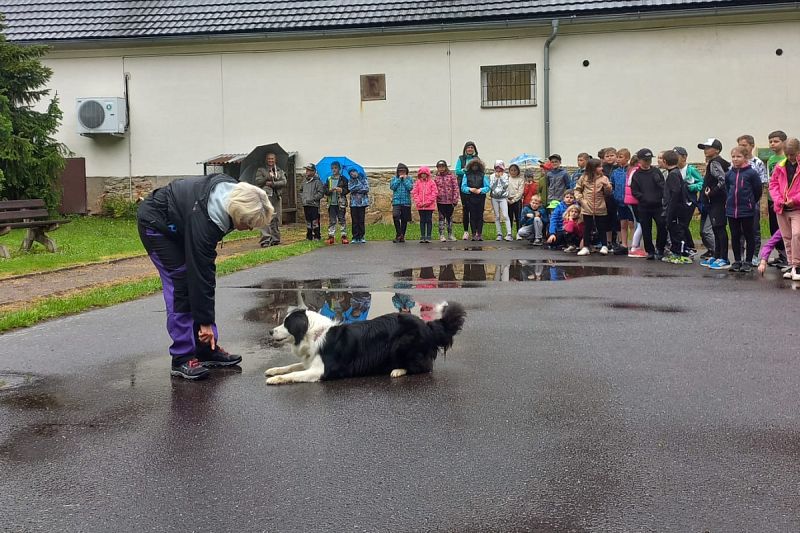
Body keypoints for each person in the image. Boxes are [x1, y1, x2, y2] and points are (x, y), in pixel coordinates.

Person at [137, 175, 273, 380]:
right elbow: (200, 273)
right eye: (249, 223)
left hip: (183, 221)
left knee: (199, 282)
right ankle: (182, 357)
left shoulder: (236, 193)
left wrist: (205, 322)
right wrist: (205, 322)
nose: (251, 228)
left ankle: (205, 349)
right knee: (180, 283)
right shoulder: (208, 219)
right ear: (237, 213)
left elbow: (205, 274)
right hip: (158, 224)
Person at [725, 145, 763, 272]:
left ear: (745, 157)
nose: (735, 159)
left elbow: (758, 191)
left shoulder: (751, 173)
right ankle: (737, 260)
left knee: (749, 235)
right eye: (733, 157)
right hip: (732, 210)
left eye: (738, 156)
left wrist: (751, 202)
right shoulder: (729, 174)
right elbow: (727, 189)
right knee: (735, 235)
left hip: (747, 210)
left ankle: (748, 261)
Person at [698, 138, 732, 270]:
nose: (705, 150)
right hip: (715, 202)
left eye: (708, 147)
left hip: (718, 201)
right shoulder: (715, 162)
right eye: (704, 148)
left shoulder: (715, 163)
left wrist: (711, 193)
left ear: (717, 150)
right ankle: (717, 255)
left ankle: (723, 258)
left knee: (719, 229)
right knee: (716, 228)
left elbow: (722, 180)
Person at [769, 137, 800, 280]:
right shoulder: (780, 165)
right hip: (781, 208)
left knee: (796, 235)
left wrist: (794, 200)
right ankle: (792, 265)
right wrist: (778, 199)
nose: (789, 157)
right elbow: (773, 184)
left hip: (796, 208)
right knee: (787, 237)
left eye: (792, 154)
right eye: (787, 154)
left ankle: (798, 266)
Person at [737, 135, 769, 264]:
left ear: (751, 146)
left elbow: (761, 184)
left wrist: (757, 201)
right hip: (737, 203)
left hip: (752, 202)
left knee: (754, 229)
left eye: (744, 145)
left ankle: (755, 255)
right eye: (740, 145)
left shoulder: (758, 163)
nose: (741, 148)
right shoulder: (735, 162)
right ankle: (740, 256)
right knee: (739, 232)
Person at [630, 148, 667, 260]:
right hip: (644, 206)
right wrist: (644, 198)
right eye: (645, 160)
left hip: (658, 205)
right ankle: (649, 251)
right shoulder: (636, 174)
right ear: (640, 161)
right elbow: (634, 191)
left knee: (662, 226)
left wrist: (660, 191)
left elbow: (663, 186)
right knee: (646, 229)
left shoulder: (656, 172)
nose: (648, 162)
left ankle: (660, 249)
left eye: (649, 159)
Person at [574, 158, 612, 256]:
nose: (601, 168)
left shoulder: (604, 178)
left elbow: (608, 193)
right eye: (599, 166)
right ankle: (586, 247)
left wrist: (607, 187)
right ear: (593, 168)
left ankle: (604, 245)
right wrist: (581, 200)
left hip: (600, 206)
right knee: (587, 227)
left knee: (601, 226)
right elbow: (577, 190)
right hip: (587, 206)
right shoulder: (584, 178)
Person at [662, 150, 693, 264]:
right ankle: (675, 252)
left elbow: (675, 194)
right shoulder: (675, 173)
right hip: (675, 208)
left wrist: (670, 211)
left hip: (676, 210)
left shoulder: (673, 174)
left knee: (677, 232)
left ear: (665, 161)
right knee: (673, 231)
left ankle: (680, 254)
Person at [674, 146, 705, 256]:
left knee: (683, 224)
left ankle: (687, 247)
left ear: (684, 157)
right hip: (678, 201)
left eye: (676, 156)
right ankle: (689, 245)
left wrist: (692, 187)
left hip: (689, 201)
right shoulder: (674, 170)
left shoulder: (690, 170)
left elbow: (702, 183)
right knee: (680, 225)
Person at [254, 152, 286, 247]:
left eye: (272, 159)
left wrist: (273, 183)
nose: (270, 160)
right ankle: (265, 240)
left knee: (275, 218)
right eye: (269, 159)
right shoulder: (261, 170)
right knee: (265, 217)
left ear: (275, 160)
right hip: (265, 197)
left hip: (276, 196)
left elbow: (284, 182)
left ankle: (275, 238)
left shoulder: (279, 170)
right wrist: (268, 177)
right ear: (266, 159)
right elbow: (258, 181)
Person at [767, 130, 789, 267]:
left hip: (784, 200)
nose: (772, 144)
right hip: (771, 199)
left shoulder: (787, 158)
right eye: (770, 141)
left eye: (776, 141)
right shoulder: (770, 160)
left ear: (784, 142)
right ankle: (781, 255)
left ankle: (789, 257)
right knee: (773, 227)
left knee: (785, 229)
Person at [460, 158, 489, 241]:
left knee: (480, 216)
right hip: (470, 197)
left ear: (479, 166)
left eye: (476, 165)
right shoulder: (466, 175)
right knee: (472, 216)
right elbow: (463, 187)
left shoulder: (483, 175)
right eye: (473, 165)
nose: (475, 167)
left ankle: (479, 233)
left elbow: (487, 187)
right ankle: (473, 234)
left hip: (480, 197)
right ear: (470, 166)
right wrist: (470, 189)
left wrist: (480, 190)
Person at [455, 141, 479, 240]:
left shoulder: (476, 159)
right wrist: (466, 170)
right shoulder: (461, 158)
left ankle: (476, 231)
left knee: (475, 208)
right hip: (463, 185)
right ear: (465, 149)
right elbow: (457, 171)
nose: (470, 149)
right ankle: (465, 231)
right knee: (466, 208)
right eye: (468, 147)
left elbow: (479, 170)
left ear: (474, 149)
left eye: (472, 148)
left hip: (474, 184)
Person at [611, 149, 632, 252]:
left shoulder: (631, 170)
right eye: (617, 157)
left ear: (627, 158)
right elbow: (612, 185)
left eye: (621, 157)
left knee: (632, 224)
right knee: (622, 224)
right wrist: (615, 194)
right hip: (619, 201)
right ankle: (624, 244)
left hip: (630, 202)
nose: (618, 159)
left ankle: (634, 244)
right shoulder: (615, 172)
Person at [323, 161, 349, 245]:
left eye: (335, 168)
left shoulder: (343, 179)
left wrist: (341, 190)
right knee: (332, 220)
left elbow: (347, 189)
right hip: (331, 202)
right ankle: (331, 236)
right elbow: (325, 190)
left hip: (341, 202)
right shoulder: (329, 179)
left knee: (341, 219)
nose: (334, 170)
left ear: (339, 169)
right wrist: (329, 191)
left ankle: (344, 236)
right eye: (332, 168)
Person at [434, 160, 459, 242]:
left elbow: (455, 188)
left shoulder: (451, 176)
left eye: (442, 167)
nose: (441, 169)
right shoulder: (436, 178)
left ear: (445, 167)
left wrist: (455, 199)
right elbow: (434, 189)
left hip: (450, 201)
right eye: (439, 167)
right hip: (440, 201)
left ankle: (450, 234)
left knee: (449, 218)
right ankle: (441, 235)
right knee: (441, 218)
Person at [412, 165, 438, 243]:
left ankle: (428, 236)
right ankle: (423, 236)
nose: (423, 175)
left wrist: (428, 202)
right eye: (422, 174)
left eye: (425, 174)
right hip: (420, 206)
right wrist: (419, 202)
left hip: (429, 206)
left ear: (427, 174)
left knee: (428, 220)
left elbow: (434, 192)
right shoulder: (417, 183)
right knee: (422, 220)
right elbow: (415, 193)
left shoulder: (431, 182)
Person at [300, 163, 324, 240]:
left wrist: (313, 198)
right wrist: (303, 198)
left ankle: (317, 235)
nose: (306, 171)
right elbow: (301, 190)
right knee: (308, 221)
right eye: (306, 170)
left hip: (314, 205)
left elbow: (321, 193)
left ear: (313, 171)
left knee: (315, 221)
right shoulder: (304, 181)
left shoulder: (317, 181)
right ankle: (309, 236)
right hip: (306, 204)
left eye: (308, 170)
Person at [489, 160, 513, 241]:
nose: (498, 170)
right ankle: (499, 234)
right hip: (494, 198)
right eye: (497, 168)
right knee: (497, 216)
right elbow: (491, 187)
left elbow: (505, 186)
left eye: (500, 168)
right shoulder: (492, 176)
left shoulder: (506, 175)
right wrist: (496, 179)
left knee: (505, 215)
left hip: (503, 197)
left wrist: (501, 178)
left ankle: (509, 233)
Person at [390, 163, 413, 243]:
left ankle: (402, 235)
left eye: (403, 171)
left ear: (406, 171)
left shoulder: (409, 179)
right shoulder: (394, 178)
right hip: (396, 201)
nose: (402, 173)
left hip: (406, 201)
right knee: (395, 216)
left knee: (404, 219)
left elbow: (410, 188)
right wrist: (399, 179)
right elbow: (392, 187)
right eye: (400, 171)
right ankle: (399, 234)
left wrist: (405, 180)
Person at [347, 167, 370, 244]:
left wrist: (357, 187)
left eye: (354, 172)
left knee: (361, 220)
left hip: (362, 203)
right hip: (353, 204)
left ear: (357, 172)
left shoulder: (363, 179)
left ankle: (361, 236)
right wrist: (358, 187)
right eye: (351, 173)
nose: (353, 174)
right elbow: (350, 189)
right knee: (355, 220)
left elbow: (366, 188)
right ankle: (355, 236)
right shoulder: (350, 181)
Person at [507, 163, 525, 236]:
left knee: (518, 217)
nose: (513, 172)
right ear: (509, 171)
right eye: (512, 170)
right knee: (509, 217)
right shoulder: (507, 179)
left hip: (517, 201)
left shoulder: (520, 180)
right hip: (508, 200)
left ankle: (518, 233)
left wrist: (513, 200)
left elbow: (520, 192)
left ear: (518, 171)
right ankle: (509, 233)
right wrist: (507, 199)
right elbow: (504, 189)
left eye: (515, 170)